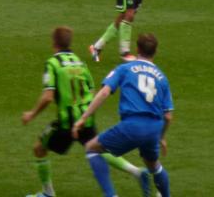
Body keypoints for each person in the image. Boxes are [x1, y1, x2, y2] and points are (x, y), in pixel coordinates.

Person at [21, 26, 146, 197]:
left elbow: (48, 97)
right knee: (97, 148)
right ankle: (136, 172)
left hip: (67, 122)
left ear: (54, 43)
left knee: (39, 148)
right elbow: (92, 92)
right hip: (86, 118)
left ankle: (48, 193)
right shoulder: (81, 63)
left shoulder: (53, 64)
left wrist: (31, 114)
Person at [73, 32, 173, 197]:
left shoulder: (125, 68)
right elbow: (168, 116)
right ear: (155, 52)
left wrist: (83, 118)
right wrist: (161, 137)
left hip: (132, 125)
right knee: (154, 166)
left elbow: (104, 93)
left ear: (137, 49)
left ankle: (111, 195)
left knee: (91, 148)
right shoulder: (162, 77)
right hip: (154, 128)